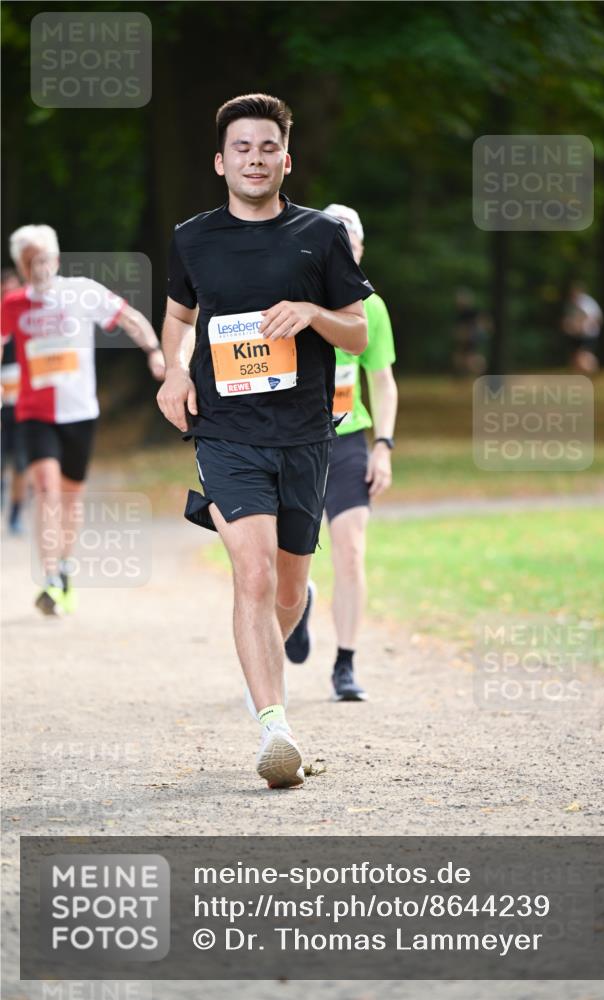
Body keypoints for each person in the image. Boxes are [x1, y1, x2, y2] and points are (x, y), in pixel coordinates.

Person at [156, 93, 372, 790]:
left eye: (267, 147)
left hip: (306, 434)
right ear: (221, 161)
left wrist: (312, 312)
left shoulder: (320, 236)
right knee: (249, 574)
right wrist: (170, 373)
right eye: (241, 148)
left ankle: (267, 660)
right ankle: (274, 728)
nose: (255, 158)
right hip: (226, 433)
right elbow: (179, 317)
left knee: (288, 590)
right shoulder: (193, 237)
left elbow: (358, 332)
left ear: (287, 157)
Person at [1, 225, 165, 615]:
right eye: (29, 263)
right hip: (35, 413)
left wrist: (154, 350)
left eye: (42, 260)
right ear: (20, 267)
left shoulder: (82, 292)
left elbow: (130, 318)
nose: (37, 268)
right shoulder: (12, 304)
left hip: (80, 414)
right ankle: (51, 575)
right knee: (46, 489)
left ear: (55, 260)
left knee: (71, 500)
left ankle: (65, 568)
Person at [285, 204, 398, 702]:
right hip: (293, 439)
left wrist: (385, 447)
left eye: (350, 242)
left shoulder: (370, 307)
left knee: (351, 551)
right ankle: (298, 600)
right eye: (334, 242)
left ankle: (346, 665)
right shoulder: (293, 301)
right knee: (283, 554)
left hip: (349, 438)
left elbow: (384, 382)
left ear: (360, 250)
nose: (343, 252)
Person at [1, 268, 28, 534]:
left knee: (22, 464)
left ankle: (16, 515)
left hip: (24, 406)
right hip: (2, 406)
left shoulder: (28, 322)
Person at [562, 283, 602, 373]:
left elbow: (594, 317)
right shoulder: (572, 303)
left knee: (585, 355)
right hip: (577, 334)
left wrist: (578, 324)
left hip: (588, 334)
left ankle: (593, 372)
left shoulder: (586, 303)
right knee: (577, 356)